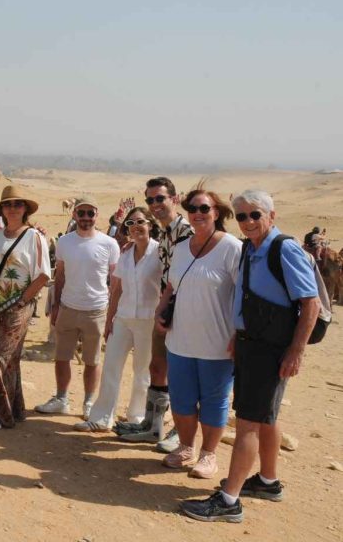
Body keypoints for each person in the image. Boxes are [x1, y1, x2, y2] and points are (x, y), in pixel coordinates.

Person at [181, 190, 319, 523]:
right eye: (242, 216)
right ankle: (268, 482)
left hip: (270, 350)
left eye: (255, 214)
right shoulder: (251, 249)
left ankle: (229, 500)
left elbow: (310, 303)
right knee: (266, 417)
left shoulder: (283, 249)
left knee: (247, 425)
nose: (248, 221)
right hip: (250, 343)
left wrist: (296, 351)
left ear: (272, 215)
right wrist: (238, 332)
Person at [154, 186, 241, 479]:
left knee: (214, 401)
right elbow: (171, 286)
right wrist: (160, 310)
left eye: (204, 208)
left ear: (217, 212)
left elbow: (244, 293)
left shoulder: (231, 248)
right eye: (192, 209)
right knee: (182, 398)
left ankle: (208, 455)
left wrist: (239, 332)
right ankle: (186, 447)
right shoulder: (181, 248)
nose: (198, 214)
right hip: (179, 340)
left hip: (217, 343)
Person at [116, 177, 193, 450]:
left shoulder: (187, 232)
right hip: (165, 312)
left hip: (188, 312)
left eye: (160, 198)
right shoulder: (166, 235)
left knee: (182, 373)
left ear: (175, 198)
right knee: (157, 367)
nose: (155, 204)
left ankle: (181, 432)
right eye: (150, 200)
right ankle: (153, 426)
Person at [75, 207, 160, 432]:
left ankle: (137, 418)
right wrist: (110, 319)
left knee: (142, 371)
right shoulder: (126, 253)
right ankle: (102, 417)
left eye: (140, 222)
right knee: (111, 366)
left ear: (150, 224)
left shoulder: (160, 253)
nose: (135, 227)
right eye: (130, 223)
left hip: (148, 319)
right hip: (123, 317)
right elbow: (118, 289)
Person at [36, 195, 119, 419]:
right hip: (68, 307)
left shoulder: (109, 244)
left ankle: (89, 403)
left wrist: (112, 312)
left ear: (97, 215)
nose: (85, 217)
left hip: (96, 309)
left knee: (92, 360)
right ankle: (61, 399)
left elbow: (115, 281)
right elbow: (60, 276)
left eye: (90, 213)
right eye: (81, 213)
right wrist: (55, 306)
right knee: (62, 357)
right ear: (74, 214)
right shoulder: (64, 242)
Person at [0, 186, 51, 429]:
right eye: (8, 204)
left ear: (25, 209)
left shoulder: (34, 237)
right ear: (1, 209)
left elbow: (43, 275)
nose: (12, 208)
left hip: (19, 306)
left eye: (18, 204)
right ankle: (16, 408)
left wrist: (22, 301)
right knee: (10, 359)